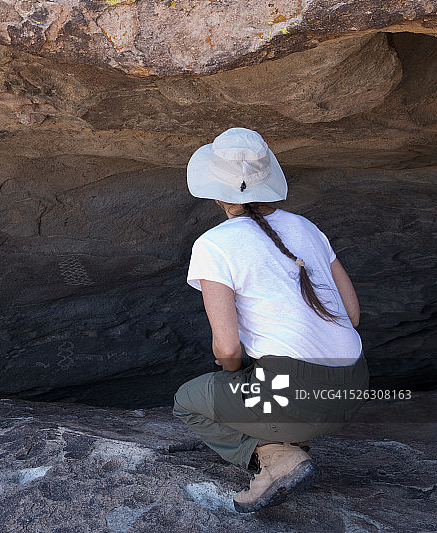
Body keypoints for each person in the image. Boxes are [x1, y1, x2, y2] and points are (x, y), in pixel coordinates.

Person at [172, 127, 369, 513]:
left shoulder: (214, 244)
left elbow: (227, 347)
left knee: (189, 401)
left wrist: (234, 377)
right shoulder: (308, 228)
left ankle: (276, 454)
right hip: (352, 389)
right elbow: (353, 316)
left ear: (215, 191)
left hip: (292, 394)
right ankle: (288, 435)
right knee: (259, 387)